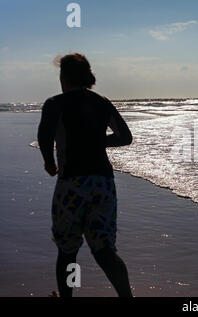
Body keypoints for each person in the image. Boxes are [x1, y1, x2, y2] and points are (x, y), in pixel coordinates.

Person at [37, 53, 133, 297]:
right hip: (103, 184)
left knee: (68, 250)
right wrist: (97, 141)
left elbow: (45, 136)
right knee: (104, 250)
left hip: (72, 184)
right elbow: (125, 137)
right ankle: (127, 297)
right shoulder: (101, 101)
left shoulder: (55, 103)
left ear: (64, 76)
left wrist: (49, 161)